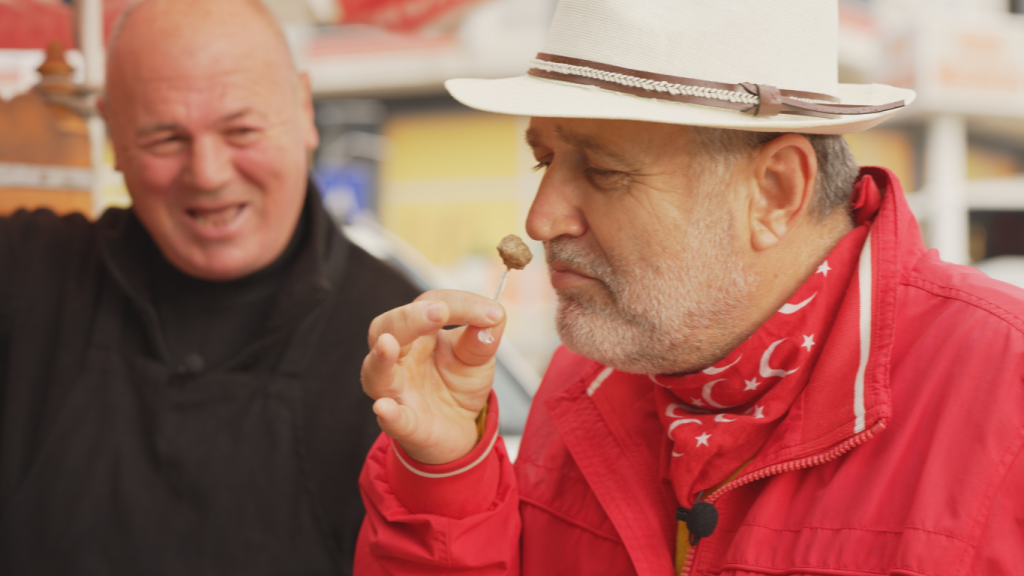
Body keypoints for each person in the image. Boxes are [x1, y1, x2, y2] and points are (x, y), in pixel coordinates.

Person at [356, 0, 1024, 574]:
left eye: (605, 170)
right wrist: (444, 477)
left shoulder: (1005, 394)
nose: (540, 219)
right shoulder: (583, 379)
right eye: (545, 158)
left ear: (774, 192)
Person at [0, 0, 419, 573]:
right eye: (165, 139)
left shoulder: (399, 333)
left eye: (241, 129)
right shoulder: (27, 273)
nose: (209, 174)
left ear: (302, 108)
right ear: (114, 136)